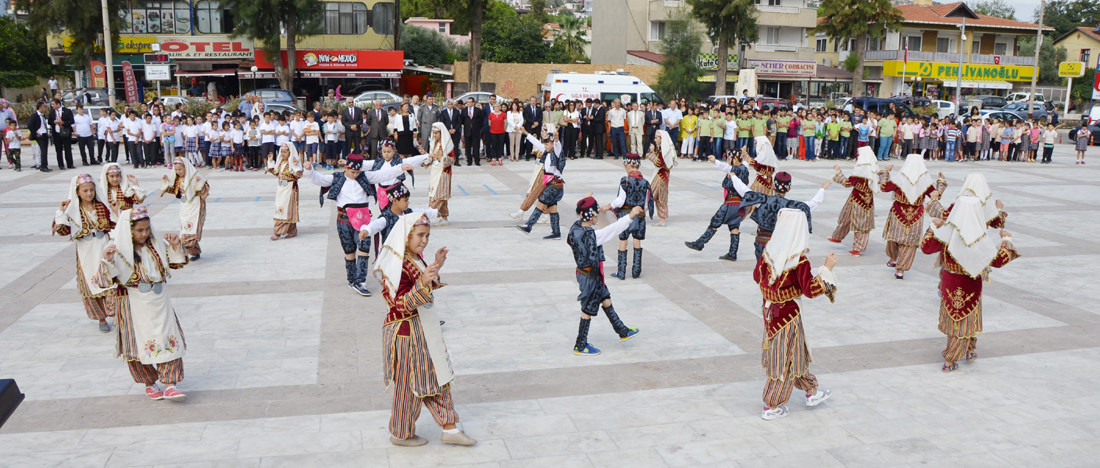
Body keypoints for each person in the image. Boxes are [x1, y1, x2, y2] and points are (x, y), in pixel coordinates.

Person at [371, 212, 477, 447]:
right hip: (406, 332)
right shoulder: (397, 265)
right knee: (417, 383)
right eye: (420, 235)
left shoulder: (414, 258)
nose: (425, 240)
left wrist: (435, 267)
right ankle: (412, 431)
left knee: (428, 378)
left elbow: (426, 285)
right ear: (406, 235)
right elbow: (398, 304)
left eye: (427, 235)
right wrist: (422, 283)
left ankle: (442, 428)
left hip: (422, 328)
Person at [93, 205, 190, 401]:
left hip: (159, 301)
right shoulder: (117, 250)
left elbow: (176, 263)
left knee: (167, 337)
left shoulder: (156, 246)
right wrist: (107, 261)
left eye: (147, 229)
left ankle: (170, 383)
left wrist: (174, 246)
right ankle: (149, 382)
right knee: (137, 343)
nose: (144, 233)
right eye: (139, 230)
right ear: (128, 230)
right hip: (133, 303)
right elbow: (102, 281)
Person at [754, 208, 838, 420]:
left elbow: (757, 276)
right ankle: (771, 405)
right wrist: (826, 269)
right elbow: (811, 290)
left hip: (770, 314)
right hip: (787, 318)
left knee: (796, 354)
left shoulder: (768, 252)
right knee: (783, 360)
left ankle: (812, 392)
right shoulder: (798, 261)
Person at [921, 197, 1018, 373]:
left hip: (950, 282)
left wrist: (932, 227)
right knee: (968, 317)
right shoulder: (979, 236)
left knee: (954, 318)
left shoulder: (947, 232)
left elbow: (926, 248)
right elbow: (998, 260)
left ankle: (969, 349)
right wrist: (1007, 241)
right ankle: (951, 359)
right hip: (970, 284)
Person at [303, 153, 411, 296]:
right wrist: (309, 170)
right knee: (349, 252)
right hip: (344, 220)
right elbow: (318, 179)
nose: (355, 175)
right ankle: (351, 279)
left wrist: (400, 168)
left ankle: (360, 281)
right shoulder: (336, 178)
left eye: (357, 172)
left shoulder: (365, 177)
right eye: (352, 172)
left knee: (364, 248)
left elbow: (384, 174)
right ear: (346, 167)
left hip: (363, 221)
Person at [568, 196, 642, 355]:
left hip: (585, 274)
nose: (597, 217)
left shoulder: (575, 229)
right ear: (591, 216)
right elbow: (612, 229)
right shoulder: (593, 236)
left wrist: (586, 199)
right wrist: (630, 216)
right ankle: (580, 345)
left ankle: (622, 331)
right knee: (587, 310)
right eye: (595, 214)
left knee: (606, 299)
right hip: (590, 277)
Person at [52, 173, 117, 333]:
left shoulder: (102, 206)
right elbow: (62, 230)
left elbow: (114, 224)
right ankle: (101, 318)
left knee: (110, 280)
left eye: (91, 190)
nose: (89, 194)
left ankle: (116, 314)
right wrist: (61, 212)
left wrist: (115, 211)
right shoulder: (73, 210)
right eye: (85, 191)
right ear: (78, 192)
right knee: (90, 282)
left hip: (103, 246)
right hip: (85, 252)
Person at [728, 170, 828, 259]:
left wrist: (733, 177)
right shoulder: (792, 206)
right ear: (788, 189)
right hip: (780, 246)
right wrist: (822, 189)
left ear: (772, 186)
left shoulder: (763, 200)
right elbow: (813, 203)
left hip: (761, 244)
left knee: (762, 274)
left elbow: (744, 190)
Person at [877, 154, 942, 279]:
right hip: (916, 216)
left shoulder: (900, 178)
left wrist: (885, 172)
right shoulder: (925, 181)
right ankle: (900, 270)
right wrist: (941, 184)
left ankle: (893, 258)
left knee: (893, 238)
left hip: (898, 212)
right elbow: (936, 195)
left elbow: (884, 187)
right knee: (909, 243)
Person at [686, 148, 750, 261]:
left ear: (735, 158)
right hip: (741, 205)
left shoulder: (735, 170)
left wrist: (726, 173)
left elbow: (728, 181)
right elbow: (731, 166)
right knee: (734, 227)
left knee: (714, 222)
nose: (728, 160)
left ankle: (700, 243)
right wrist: (716, 161)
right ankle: (732, 253)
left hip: (730, 203)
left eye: (729, 158)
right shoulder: (745, 168)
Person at [603, 153, 654, 279]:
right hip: (640, 215)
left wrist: (608, 206)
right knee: (637, 241)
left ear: (628, 165)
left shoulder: (625, 180)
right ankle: (636, 271)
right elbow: (647, 202)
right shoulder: (645, 182)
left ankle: (621, 272)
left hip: (626, 214)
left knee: (623, 241)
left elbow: (620, 201)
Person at [827, 148, 878, 256]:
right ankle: (840, 238)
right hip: (868, 201)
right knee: (859, 223)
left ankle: (854, 247)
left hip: (856, 200)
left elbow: (847, 183)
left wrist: (838, 171)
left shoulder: (860, 172)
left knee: (852, 221)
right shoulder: (874, 170)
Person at [516, 131, 565, 238]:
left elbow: (557, 144)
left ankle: (528, 226)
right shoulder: (546, 152)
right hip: (551, 183)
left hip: (554, 184)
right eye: (545, 144)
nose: (545, 146)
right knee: (552, 208)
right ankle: (556, 233)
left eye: (547, 144)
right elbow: (537, 143)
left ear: (552, 144)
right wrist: (525, 133)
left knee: (540, 204)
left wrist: (556, 139)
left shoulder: (556, 152)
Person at [159, 157, 209, 261]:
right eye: (176, 170)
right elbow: (174, 190)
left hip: (195, 205)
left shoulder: (195, 176)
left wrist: (199, 184)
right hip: (185, 206)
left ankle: (190, 249)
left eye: (180, 169)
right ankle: (194, 252)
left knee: (193, 228)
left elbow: (205, 190)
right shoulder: (177, 179)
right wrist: (166, 181)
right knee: (185, 229)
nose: (178, 172)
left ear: (186, 168)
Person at [265, 142, 305, 240]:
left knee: (286, 209)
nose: (283, 154)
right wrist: (270, 162)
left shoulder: (294, 163)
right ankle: (292, 230)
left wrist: (295, 166)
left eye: (285, 152)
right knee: (282, 208)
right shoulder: (281, 163)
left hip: (290, 189)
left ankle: (278, 232)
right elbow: (275, 172)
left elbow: (298, 175)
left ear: (290, 153)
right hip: (281, 189)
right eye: (281, 152)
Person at [425, 122, 455, 226]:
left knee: (438, 197)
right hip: (435, 172)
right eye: (433, 133)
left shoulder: (448, 145)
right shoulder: (435, 144)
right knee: (438, 196)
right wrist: (427, 160)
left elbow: (453, 159)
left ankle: (426, 218)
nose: (434, 135)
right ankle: (444, 218)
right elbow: (432, 157)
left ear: (442, 133)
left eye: (436, 133)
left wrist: (442, 157)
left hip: (443, 173)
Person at [645, 130, 676, 227]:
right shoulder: (663, 149)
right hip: (662, 176)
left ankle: (638, 215)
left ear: (662, 139)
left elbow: (659, 163)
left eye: (656, 138)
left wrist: (650, 155)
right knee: (659, 198)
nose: (655, 140)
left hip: (660, 178)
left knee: (650, 196)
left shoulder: (664, 151)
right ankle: (662, 219)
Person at [49, 99, 75, 169]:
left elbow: (72, 121)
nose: (52, 106)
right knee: (58, 149)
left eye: (53, 104)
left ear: (58, 104)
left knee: (67, 148)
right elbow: (49, 121)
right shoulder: (52, 112)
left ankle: (70, 164)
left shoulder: (67, 111)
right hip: (57, 133)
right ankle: (60, 164)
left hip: (65, 132)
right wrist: (54, 122)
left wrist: (63, 122)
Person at [462, 98, 483, 166]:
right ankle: (469, 160)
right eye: (467, 102)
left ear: (473, 103)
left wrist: (477, 127)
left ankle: (477, 160)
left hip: (475, 130)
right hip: (467, 130)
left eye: (470, 102)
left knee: (476, 145)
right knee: (467, 146)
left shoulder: (478, 110)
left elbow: (481, 120)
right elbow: (462, 120)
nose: (468, 103)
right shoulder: (464, 110)